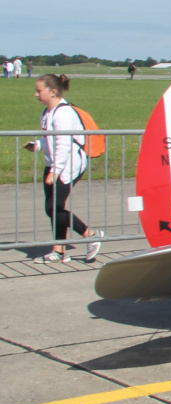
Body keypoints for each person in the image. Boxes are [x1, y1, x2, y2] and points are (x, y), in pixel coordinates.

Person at [24, 74, 102, 263]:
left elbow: (64, 145)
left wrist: (56, 171)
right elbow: (49, 138)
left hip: (68, 166)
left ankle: (91, 235)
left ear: (52, 91)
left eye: (39, 90)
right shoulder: (47, 113)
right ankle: (59, 251)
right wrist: (37, 145)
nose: (36, 94)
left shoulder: (64, 113)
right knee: (54, 208)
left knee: (53, 208)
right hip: (54, 164)